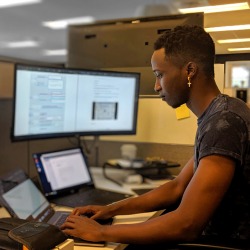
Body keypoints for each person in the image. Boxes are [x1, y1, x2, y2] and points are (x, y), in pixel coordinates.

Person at [61, 25, 250, 246]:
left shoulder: (224, 123)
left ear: (190, 71)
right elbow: (177, 187)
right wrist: (109, 209)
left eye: (160, 75)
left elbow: (186, 225)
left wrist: (100, 233)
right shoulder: (220, 113)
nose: (156, 86)